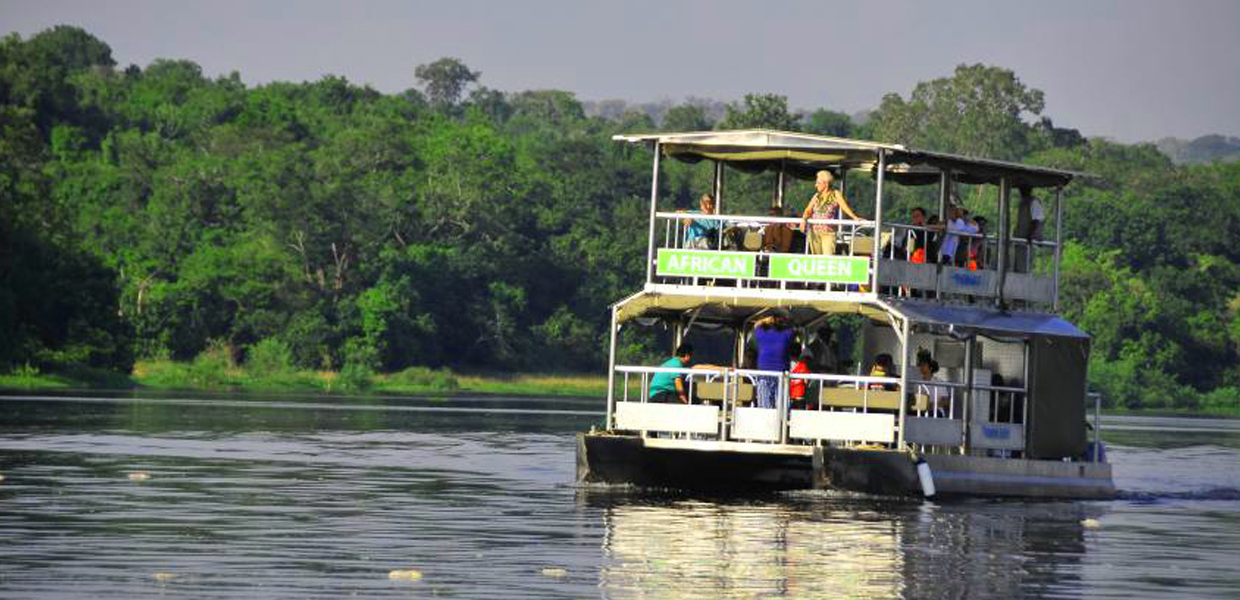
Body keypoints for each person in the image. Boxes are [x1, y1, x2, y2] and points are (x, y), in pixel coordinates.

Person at [800, 170, 862, 255]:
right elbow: (808, 210)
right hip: (814, 232)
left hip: (828, 232)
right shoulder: (816, 196)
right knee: (816, 258)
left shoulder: (835, 194)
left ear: (826, 183)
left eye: (818, 183)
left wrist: (854, 217)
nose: (816, 185)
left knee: (828, 257)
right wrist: (803, 220)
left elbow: (844, 207)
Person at [647, 343, 725, 403]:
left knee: (693, 397)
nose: (691, 359)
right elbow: (677, 381)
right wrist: (683, 397)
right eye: (691, 356)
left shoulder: (673, 362)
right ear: (687, 356)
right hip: (661, 395)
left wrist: (723, 369)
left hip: (661, 394)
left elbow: (698, 367)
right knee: (683, 407)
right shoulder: (676, 364)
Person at [753, 313, 796, 409]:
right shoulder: (788, 334)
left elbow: (756, 325)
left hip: (763, 375)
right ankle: (782, 423)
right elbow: (792, 326)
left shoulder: (761, 333)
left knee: (765, 409)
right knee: (782, 409)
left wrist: (766, 320)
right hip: (782, 375)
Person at [1013, 186, 1045, 272]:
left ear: (1030, 189)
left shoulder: (1034, 202)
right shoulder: (1023, 202)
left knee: (1026, 268)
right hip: (1020, 241)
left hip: (1029, 242)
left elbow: (1036, 221)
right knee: (1018, 267)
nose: (1022, 190)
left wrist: (1030, 236)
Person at [914, 348, 951, 417]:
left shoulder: (939, 382)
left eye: (924, 365)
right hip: (921, 411)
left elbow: (946, 401)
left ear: (930, 367)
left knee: (929, 414)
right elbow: (917, 401)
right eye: (920, 365)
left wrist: (932, 405)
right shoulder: (917, 383)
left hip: (936, 411)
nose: (921, 367)